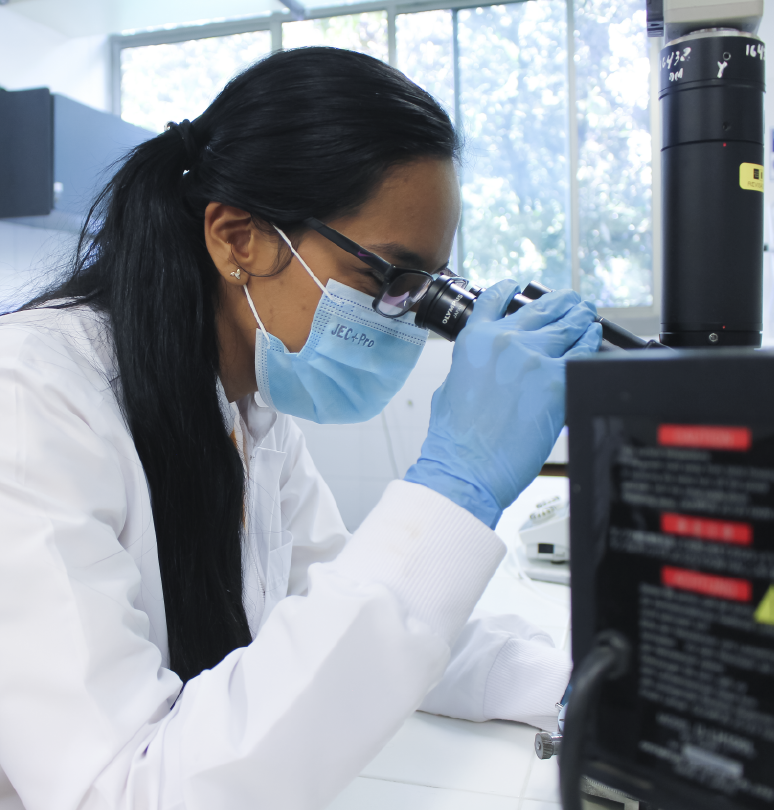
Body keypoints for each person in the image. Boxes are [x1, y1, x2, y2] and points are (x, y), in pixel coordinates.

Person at [0, 47, 601, 809]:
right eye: (387, 277)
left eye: (424, 290)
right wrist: (454, 488)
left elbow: (348, 619)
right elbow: (124, 790)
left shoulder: (247, 407)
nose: (405, 319)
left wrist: (586, 688)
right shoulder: (31, 399)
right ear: (237, 238)